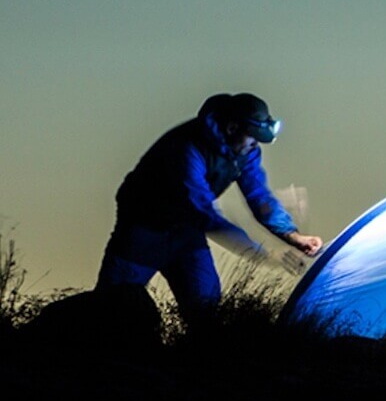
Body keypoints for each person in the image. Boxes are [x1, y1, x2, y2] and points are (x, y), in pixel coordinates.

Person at [96, 92, 323, 335]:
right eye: (252, 138)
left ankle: (197, 364)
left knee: (206, 307)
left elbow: (259, 197)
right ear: (232, 128)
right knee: (113, 306)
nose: (255, 145)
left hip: (185, 232)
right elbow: (203, 213)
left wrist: (293, 236)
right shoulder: (186, 149)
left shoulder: (245, 151)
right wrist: (263, 254)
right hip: (144, 229)